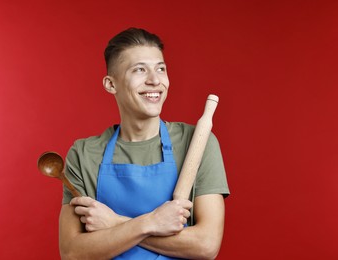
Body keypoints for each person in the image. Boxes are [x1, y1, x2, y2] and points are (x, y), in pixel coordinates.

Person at [59, 27, 230, 260]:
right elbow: (72, 252)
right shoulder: (83, 154)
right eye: (140, 70)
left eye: (161, 69)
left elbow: (206, 245)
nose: (155, 80)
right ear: (111, 84)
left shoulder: (198, 143)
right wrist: (150, 222)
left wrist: (116, 224)